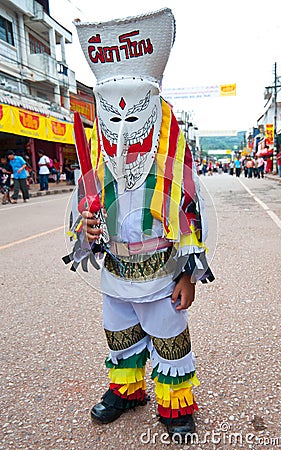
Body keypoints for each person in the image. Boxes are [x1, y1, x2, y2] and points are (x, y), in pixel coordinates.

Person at [65, 8, 215, 442]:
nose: (124, 128)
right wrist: (86, 232)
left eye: (134, 117)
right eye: (113, 116)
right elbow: (82, 213)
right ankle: (127, 390)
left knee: (169, 338)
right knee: (120, 334)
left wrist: (187, 273)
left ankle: (174, 406)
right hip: (114, 272)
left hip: (161, 272)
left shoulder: (169, 161)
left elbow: (188, 213)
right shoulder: (97, 162)